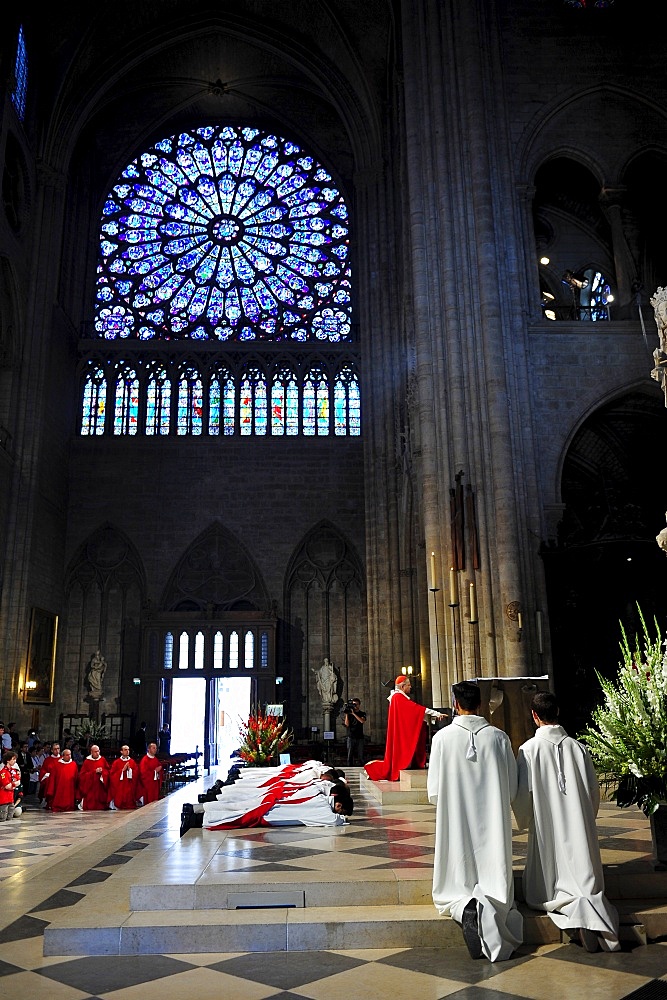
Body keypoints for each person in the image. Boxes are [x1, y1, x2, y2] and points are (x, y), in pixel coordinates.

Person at [513, 691, 620, 953]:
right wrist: (584, 818)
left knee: (546, 889)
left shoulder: (528, 750)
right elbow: (593, 791)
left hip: (547, 826)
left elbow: (522, 795)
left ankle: (577, 916)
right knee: (584, 879)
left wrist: (527, 820)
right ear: (557, 712)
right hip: (578, 826)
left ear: (534, 715)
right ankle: (589, 913)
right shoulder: (578, 747)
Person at [427, 680, 522, 963]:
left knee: (458, 859)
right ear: (480, 704)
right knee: (492, 861)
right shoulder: (499, 737)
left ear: (456, 705)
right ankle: (491, 896)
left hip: (457, 817)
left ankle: (464, 901)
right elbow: (512, 787)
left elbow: (434, 791)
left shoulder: (442, 738)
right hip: (491, 817)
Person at [364, 675, 445, 781]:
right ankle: (373, 770)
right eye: (409, 685)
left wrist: (433, 716)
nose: (411, 687)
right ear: (402, 686)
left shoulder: (397, 697)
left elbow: (412, 712)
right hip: (400, 732)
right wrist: (436, 714)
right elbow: (416, 710)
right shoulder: (398, 697)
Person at [78, 744, 110, 810]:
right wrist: (94, 772)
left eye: (98, 751)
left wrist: (103, 772)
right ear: (91, 752)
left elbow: (108, 771)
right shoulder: (87, 761)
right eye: (95, 752)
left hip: (100, 785)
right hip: (91, 786)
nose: (97, 753)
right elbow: (82, 775)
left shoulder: (102, 760)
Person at [109, 745, 139, 809]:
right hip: (120, 785)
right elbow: (112, 774)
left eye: (128, 750)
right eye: (125, 750)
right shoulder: (116, 762)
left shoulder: (132, 762)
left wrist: (130, 770)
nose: (127, 751)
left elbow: (136, 773)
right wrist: (122, 771)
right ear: (121, 751)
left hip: (129, 784)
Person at [343, 698, 367, 765]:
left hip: (360, 736)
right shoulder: (349, 714)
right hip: (351, 736)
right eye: (353, 704)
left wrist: (354, 714)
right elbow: (346, 724)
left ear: (359, 705)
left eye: (356, 704)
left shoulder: (362, 713)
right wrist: (347, 714)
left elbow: (362, 721)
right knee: (350, 753)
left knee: (360, 754)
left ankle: (361, 766)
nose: (355, 706)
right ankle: (349, 766)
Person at [38, 742, 61, 809]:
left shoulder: (63, 759)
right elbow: (43, 771)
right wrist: (48, 775)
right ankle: (49, 802)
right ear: (51, 750)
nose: (57, 751)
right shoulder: (47, 760)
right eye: (55, 749)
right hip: (50, 779)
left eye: (58, 749)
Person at [0, 752, 18, 821]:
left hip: (11, 798)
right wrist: (13, 784)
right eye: (13, 759)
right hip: (3, 798)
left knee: (10, 817)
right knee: (3, 818)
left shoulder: (13, 771)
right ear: (8, 760)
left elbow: (18, 782)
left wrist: (12, 785)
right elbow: (7, 786)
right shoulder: (3, 772)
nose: (15, 761)